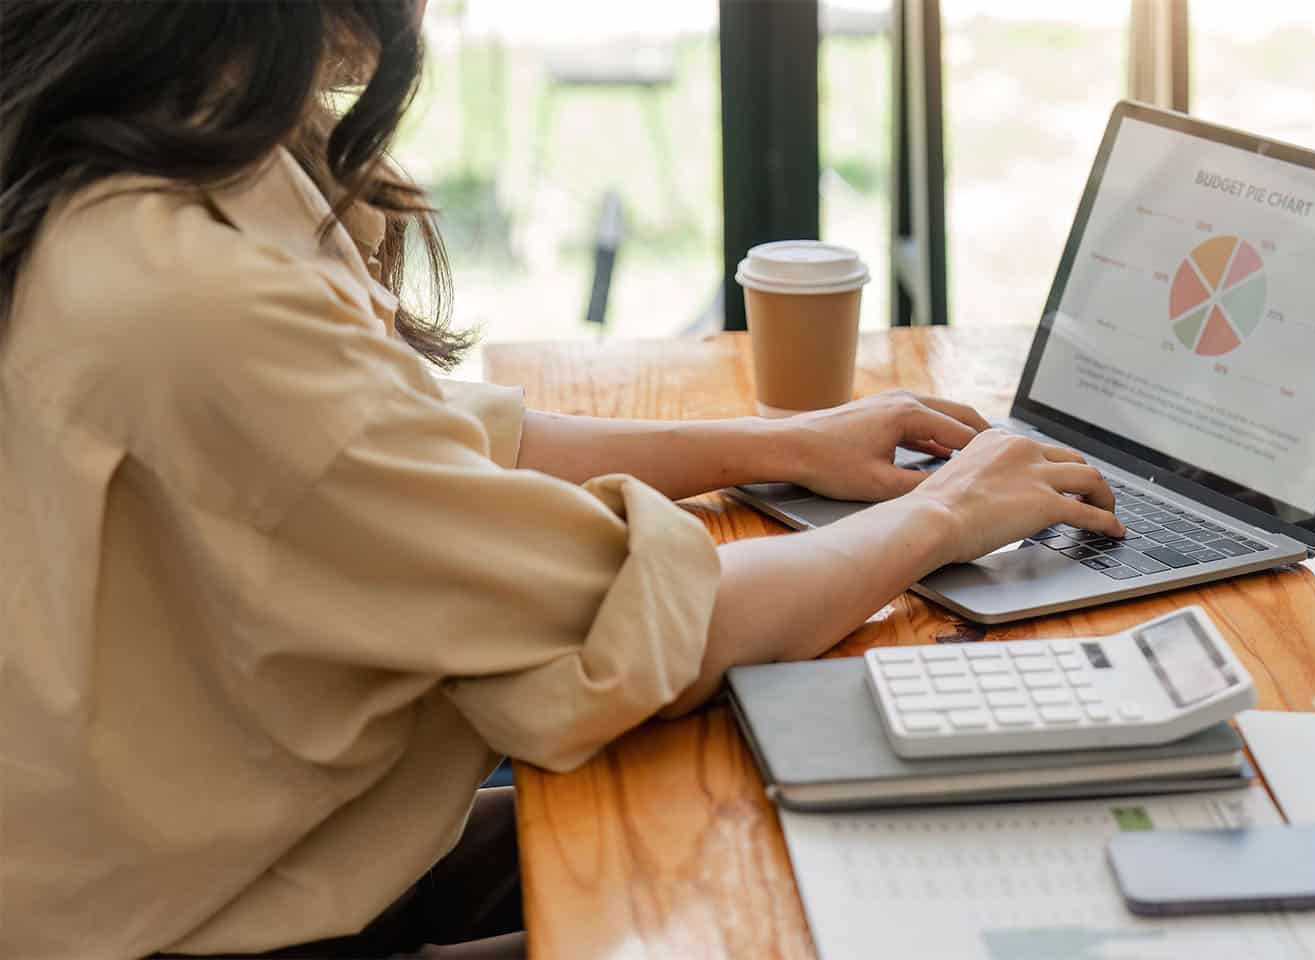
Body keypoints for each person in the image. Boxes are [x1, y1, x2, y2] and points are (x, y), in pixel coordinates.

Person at [0, 2, 1124, 957]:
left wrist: (779, 444)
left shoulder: (142, 168)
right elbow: (652, 623)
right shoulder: (195, 300)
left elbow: (429, 445)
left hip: (224, 862)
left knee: (728, 828)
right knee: (781, 887)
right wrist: (948, 510)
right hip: (201, 918)